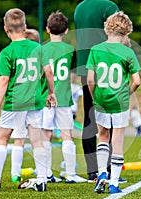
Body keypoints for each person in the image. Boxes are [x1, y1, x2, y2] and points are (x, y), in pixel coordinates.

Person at [0, 8, 56, 192]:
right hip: (34, 101)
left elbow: (4, 80)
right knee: (37, 140)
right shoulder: (38, 48)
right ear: (25, 26)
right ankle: (42, 179)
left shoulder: (7, 52)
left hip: (14, 102)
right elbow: (48, 71)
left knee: (2, 139)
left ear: (6, 29)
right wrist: (51, 93)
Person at [87, 11, 141, 194]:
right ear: (126, 33)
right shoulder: (128, 52)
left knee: (103, 135)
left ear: (106, 29)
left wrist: (95, 97)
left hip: (101, 99)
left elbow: (90, 80)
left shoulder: (95, 49)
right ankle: (114, 183)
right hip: (120, 102)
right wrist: (127, 93)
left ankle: (102, 173)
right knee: (117, 140)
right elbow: (137, 81)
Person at [74, 0, 120, 183]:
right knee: (110, 118)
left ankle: (93, 170)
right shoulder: (108, 6)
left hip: (86, 68)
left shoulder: (80, 7)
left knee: (89, 117)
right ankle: (108, 168)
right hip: (107, 66)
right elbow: (118, 33)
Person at [41, 11, 87, 183]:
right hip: (64, 97)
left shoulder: (42, 49)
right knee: (66, 135)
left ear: (47, 29)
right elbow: (72, 69)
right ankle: (71, 174)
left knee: (46, 135)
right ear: (66, 31)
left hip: (45, 98)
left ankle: (45, 174)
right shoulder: (69, 50)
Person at [9, 28, 41, 183]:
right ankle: (43, 174)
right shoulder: (38, 54)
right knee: (37, 139)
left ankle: (15, 173)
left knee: (19, 139)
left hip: (19, 99)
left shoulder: (15, 52)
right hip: (35, 100)